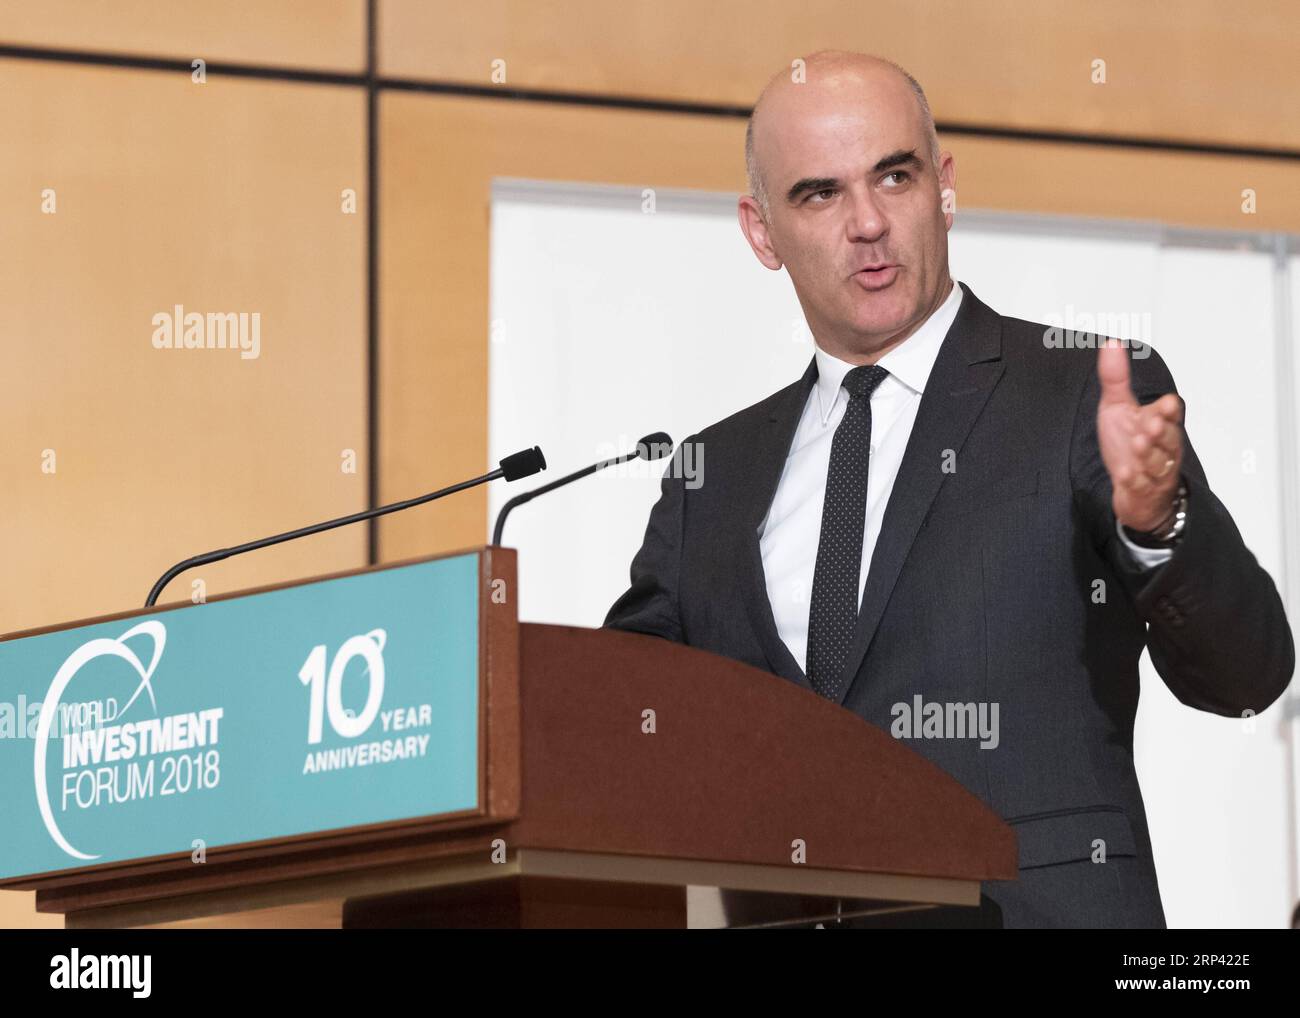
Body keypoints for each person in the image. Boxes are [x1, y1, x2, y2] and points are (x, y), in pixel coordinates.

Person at [603, 51, 1294, 928]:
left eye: (895, 175)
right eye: (819, 193)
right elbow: (618, 720)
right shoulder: (713, 475)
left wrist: (1160, 526)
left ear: (946, 187)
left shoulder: (1077, 392)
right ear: (761, 232)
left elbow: (1247, 676)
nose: (867, 223)